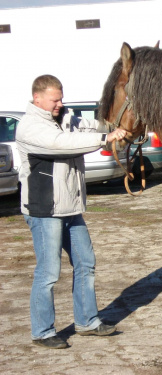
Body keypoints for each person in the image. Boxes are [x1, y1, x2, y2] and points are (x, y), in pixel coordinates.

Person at [16, 75, 128, 349]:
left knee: (86, 262)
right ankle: (42, 332)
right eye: (55, 100)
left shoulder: (63, 117)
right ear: (37, 98)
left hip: (70, 208)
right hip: (45, 211)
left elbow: (91, 124)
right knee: (48, 272)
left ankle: (87, 322)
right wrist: (106, 138)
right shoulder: (30, 128)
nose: (60, 103)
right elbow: (61, 143)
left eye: (61, 98)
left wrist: (120, 122)